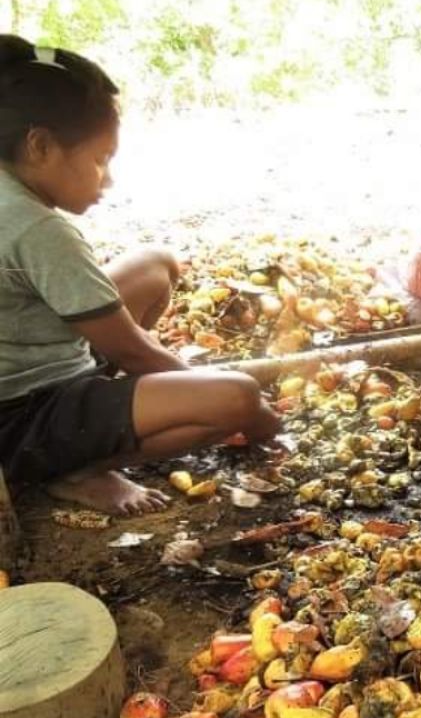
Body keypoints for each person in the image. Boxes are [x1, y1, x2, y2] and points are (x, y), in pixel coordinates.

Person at [0, 35, 281, 516]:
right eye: (99, 159)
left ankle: (116, 414)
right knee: (236, 397)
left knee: (155, 265)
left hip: (35, 358)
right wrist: (258, 418)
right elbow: (130, 348)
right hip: (23, 415)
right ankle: (75, 468)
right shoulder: (36, 227)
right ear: (40, 145)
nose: (106, 180)